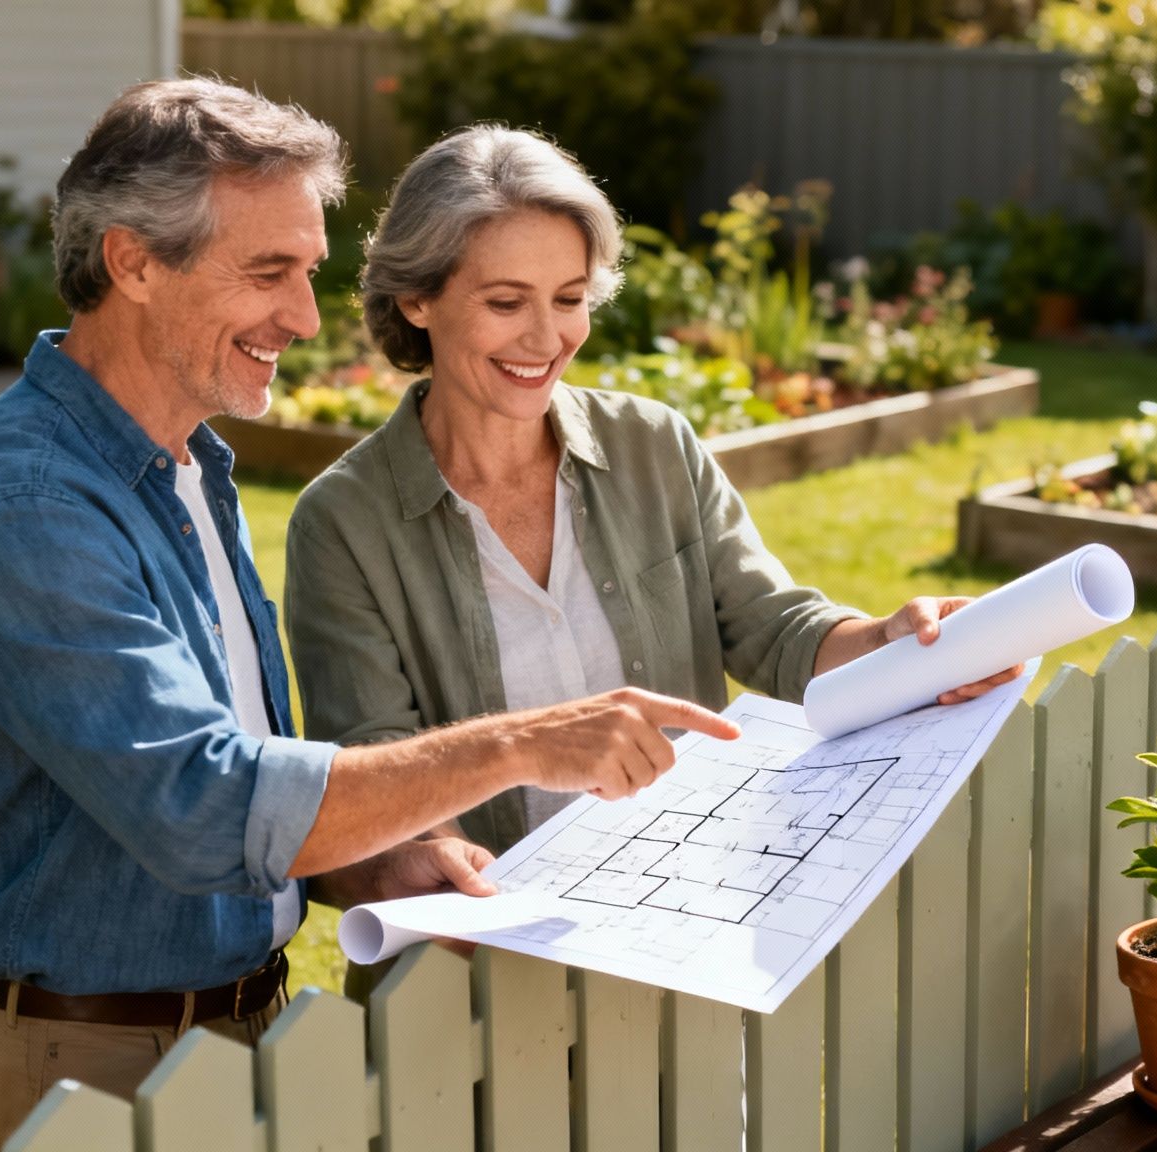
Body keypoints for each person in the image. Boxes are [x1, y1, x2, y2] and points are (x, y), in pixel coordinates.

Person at [0, 82, 737, 1151]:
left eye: (308, 272)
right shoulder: (24, 507)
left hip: (239, 1034)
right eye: (268, 273)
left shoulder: (186, 471)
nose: (302, 316)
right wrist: (522, 745)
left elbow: (248, 798)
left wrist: (371, 867)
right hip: (82, 1068)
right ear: (133, 262)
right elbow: (200, 804)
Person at [283, 125, 1019, 996]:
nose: (546, 337)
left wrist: (893, 640)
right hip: (478, 978)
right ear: (417, 299)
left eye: (569, 297)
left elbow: (773, 629)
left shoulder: (652, 446)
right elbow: (376, 764)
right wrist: (427, 858)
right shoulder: (344, 521)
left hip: (681, 945)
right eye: (506, 301)